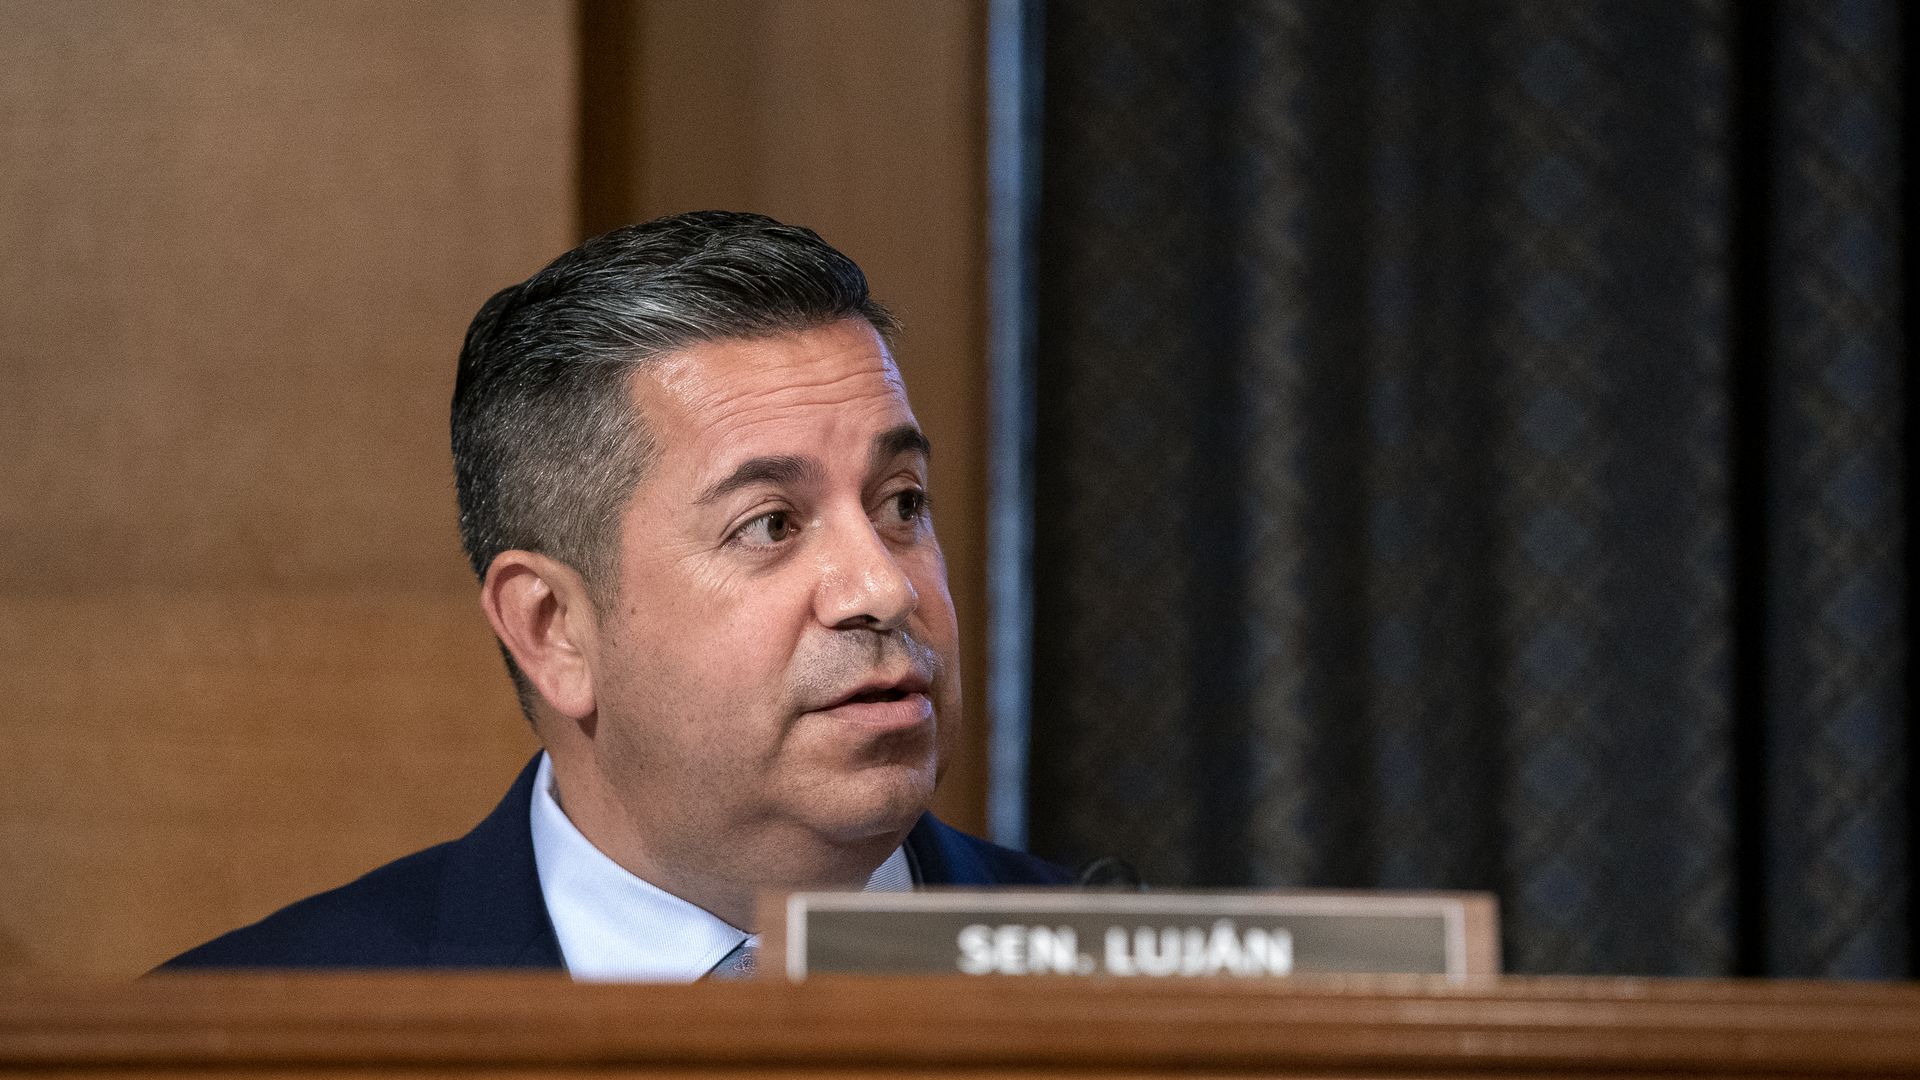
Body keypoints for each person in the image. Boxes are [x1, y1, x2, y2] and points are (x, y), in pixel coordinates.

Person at [164, 211, 1069, 977]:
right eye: (772, 525)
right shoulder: (235, 1036)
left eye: (901, 504)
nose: (881, 587)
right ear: (553, 630)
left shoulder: (1157, 999)